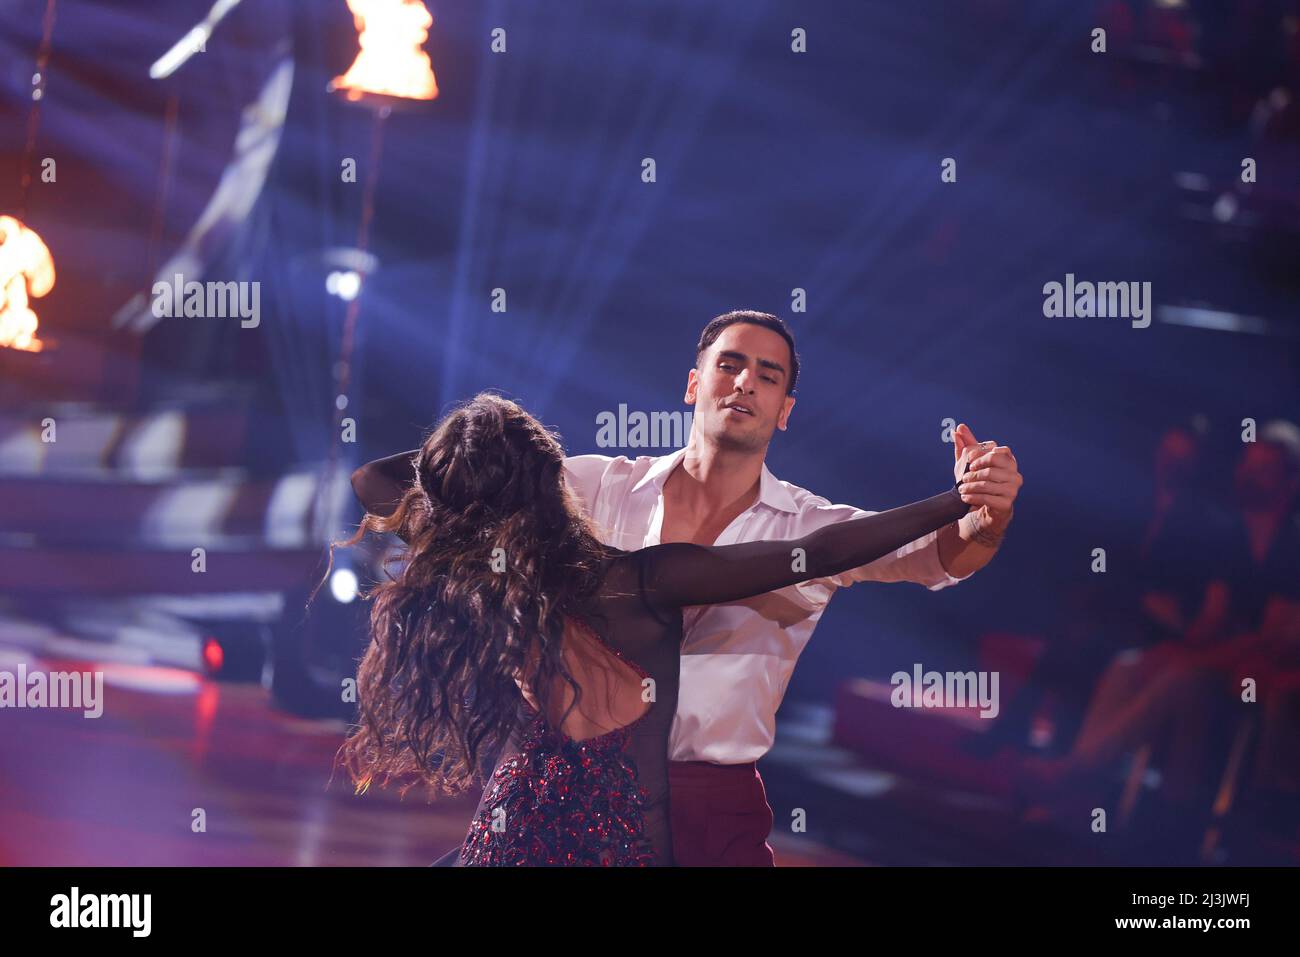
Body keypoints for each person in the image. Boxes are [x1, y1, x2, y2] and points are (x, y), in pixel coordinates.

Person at [351, 310, 1022, 864]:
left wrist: (982, 514)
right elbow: (401, 485)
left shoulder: (816, 524)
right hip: (553, 777)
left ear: (785, 409)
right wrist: (479, 441)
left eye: (768, 374)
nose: (745, 382)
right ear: (694, 382)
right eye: (730, 363)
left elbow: (942, 556)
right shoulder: (584, 484)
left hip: (709, 806)